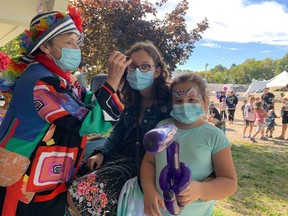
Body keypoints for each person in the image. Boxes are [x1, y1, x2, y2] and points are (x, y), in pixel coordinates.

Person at [0, 9, 126, 216]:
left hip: (45, 176)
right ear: (46, 46)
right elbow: (88, 121)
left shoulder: (64, 79)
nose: (76, 48)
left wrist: (114, 87)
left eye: (77, 42)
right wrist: (111, 81)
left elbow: (87, 100)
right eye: (69, 42)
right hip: (25, 176)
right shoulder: (41, 80)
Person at [67, 41, 171, 215]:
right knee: (73, 176)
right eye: (132, 67)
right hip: (118, 156)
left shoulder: (170, 100)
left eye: (145, 66)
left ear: (157, 71)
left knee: (79, 194)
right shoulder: (128, 98)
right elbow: (118, 131)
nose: (137, 72)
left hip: (143, 165)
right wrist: (101, 152)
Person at [140, 73, 237, 216]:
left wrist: (201, 190)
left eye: (192, 99)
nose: (184, 104)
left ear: (204, 101)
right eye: (178, 100)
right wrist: (149, 191)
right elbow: (149, 162)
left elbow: (229, 183)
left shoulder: (215, 136)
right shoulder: (162, 128)